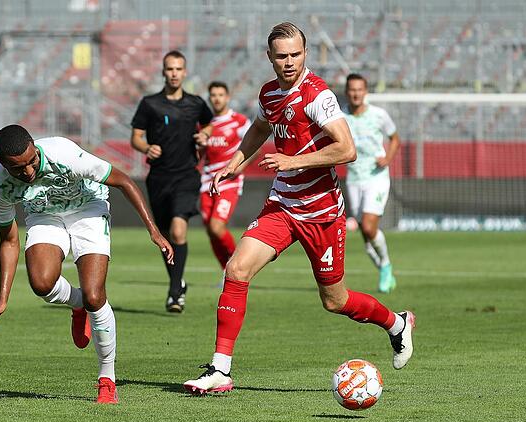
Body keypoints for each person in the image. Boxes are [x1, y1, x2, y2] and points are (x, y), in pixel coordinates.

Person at [183, 22, 415, 395]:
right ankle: (220, 370)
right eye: (281, 56)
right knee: (237, 268)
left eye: (295, 54)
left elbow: (346, 149)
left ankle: (397, 324)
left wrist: (293, 161)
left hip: (322, 213)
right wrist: (234, 164)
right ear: (269, 57)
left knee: (334, 300)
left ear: (305, 54)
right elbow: (259, 129)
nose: (289, 62)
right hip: (282, 206)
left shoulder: (318, 95)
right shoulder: (269, 94)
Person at [0, 125, 173, 404]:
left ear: (35, 147)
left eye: (32, 161)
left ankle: (107, 379)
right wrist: (2, 298)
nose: (29, 172)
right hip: (44, 215)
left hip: (88, 209)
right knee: (42, 284)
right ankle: (76, 303)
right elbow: (8, 241)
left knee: (96, 296)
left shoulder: (64, 153)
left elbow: (124, 182)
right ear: (1, 164)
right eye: (18, 169)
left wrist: (154, 231)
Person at [130, 50, 214, 313]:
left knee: (179, 231)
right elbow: (136, 137)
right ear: (163, 72)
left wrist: (204, 136)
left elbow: (210, 125)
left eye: (178, 69)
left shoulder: (196, 103)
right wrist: (146, 148)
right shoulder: (150, 104)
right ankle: (178, 282)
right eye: (170, 69)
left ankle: (175, 292)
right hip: (158, 179)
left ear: (185, 72)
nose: (174, 73)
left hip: (187, 176)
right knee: (165, 237)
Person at [343, 73, 401, 293]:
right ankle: (385, 270)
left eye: (360, 89)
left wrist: (387, 158)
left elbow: (395, 138)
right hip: (354, 179)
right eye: (352, 90)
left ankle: (385, 266)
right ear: (347, 92)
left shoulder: (379, 115)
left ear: (365, 91)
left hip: (376, 177)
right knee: (367, 238)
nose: (356, 93)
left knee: (368, 226)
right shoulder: (341, 117)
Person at [199, 82, 252, 271]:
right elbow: (200, 153)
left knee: (216, 227)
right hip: (206, 182)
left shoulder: (239, 121)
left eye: (221, 94)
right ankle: (226, 272)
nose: (217, 98)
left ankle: (238, 266)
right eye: (213, 95)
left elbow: (255, 145)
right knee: (211, 232)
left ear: (227, 97)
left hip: (228, 182)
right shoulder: (205, 124)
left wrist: (240, 167)